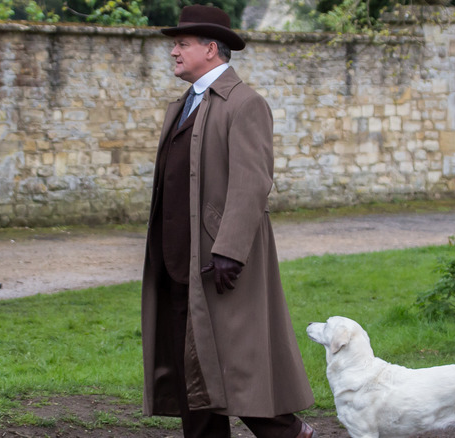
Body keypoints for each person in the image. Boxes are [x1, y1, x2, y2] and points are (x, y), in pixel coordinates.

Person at [140, 5, 317, 438]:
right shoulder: (182, 105)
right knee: (191, 371)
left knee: (236, 363)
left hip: (218, 261)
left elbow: (251, 182)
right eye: (174, 44)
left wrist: (229, 250)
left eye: (182, 44)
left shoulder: (244, 103)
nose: (174, 52)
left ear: (211, 48)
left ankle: (292, 434)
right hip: (179, 259)